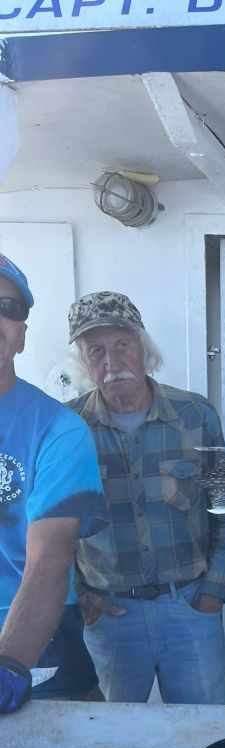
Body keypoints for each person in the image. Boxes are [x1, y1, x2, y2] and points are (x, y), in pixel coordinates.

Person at [66, 291, 225, 704]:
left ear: (144, 348)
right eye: (96, 351)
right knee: (117, 741)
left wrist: (213, 592)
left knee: (207, 734)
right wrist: (80, 596)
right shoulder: (68, 427)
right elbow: (48, 524)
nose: (111, 363)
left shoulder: (196, 414)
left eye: (122, 345)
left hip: (189, 608)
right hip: (108, 618)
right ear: (82, 361)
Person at [0, 253, 106, 714]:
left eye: (8, 307)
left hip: (33, 631)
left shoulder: (59, 429)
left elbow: (50, 556)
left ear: (22, 334)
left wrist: (9, 663)